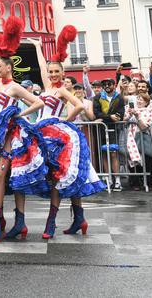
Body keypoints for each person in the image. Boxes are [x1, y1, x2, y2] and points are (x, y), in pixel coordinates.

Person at [28, 34, 106, 239]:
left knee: (58, 177)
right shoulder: (47, 88)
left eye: (56, 72)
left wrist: (63, 121)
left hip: (55, 134)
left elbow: (79, 105)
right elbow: (42, 64)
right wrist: (37, 46)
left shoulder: (61, 89)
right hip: (43, 132)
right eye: (50, 72)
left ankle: (51, 222)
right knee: (64, 177)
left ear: (62, 74)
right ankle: (79, 219)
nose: (52, 74)